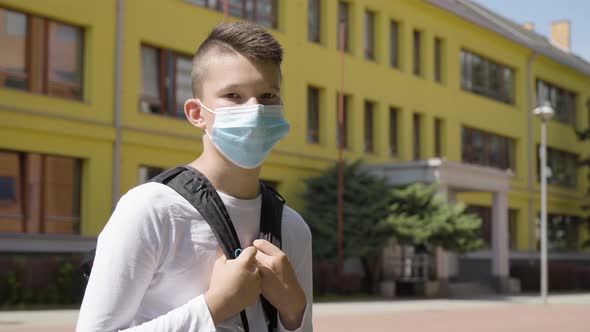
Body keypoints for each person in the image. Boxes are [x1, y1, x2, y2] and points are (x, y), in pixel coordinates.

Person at [76, 22, 313, 332]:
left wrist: (295, 314)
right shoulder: (150, 210)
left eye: (268, 95)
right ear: (196, 113)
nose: (255, 110)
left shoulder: (292, 227)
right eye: (233, 95)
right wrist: (216, 306)